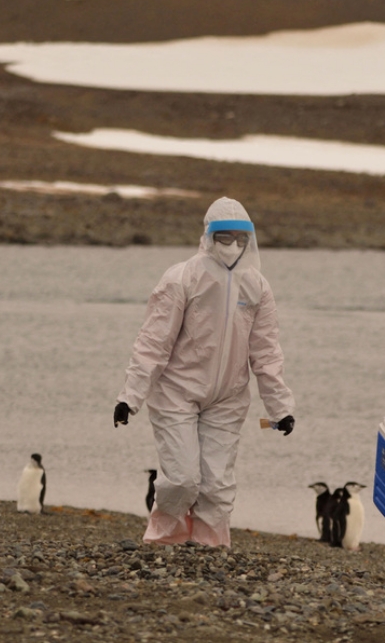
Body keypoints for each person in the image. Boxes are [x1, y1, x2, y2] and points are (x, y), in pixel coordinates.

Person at [113, 197, 295, 548]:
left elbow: (267, 351)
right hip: (176, 391)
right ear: (209, 236)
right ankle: (165, 540)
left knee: (217, 483)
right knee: (182, 478)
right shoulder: (182, 277)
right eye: (224, 237)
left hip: (228, 397)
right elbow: (153, 341)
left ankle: (210, 545)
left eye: (241, 239)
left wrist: (280, 408)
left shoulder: (256, 286)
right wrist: (129, 397)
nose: (233, 246)